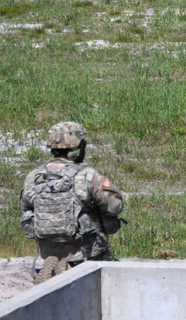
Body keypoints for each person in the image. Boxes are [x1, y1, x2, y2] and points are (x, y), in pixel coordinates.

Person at [19, 121, 124, 285]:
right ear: (77, 149)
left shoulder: (34, 176)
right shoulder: (87, 176)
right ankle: (73, 264)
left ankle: (57, 260)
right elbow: (114, 207)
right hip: (85, 249)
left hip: (47, 246)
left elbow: (25, 209)